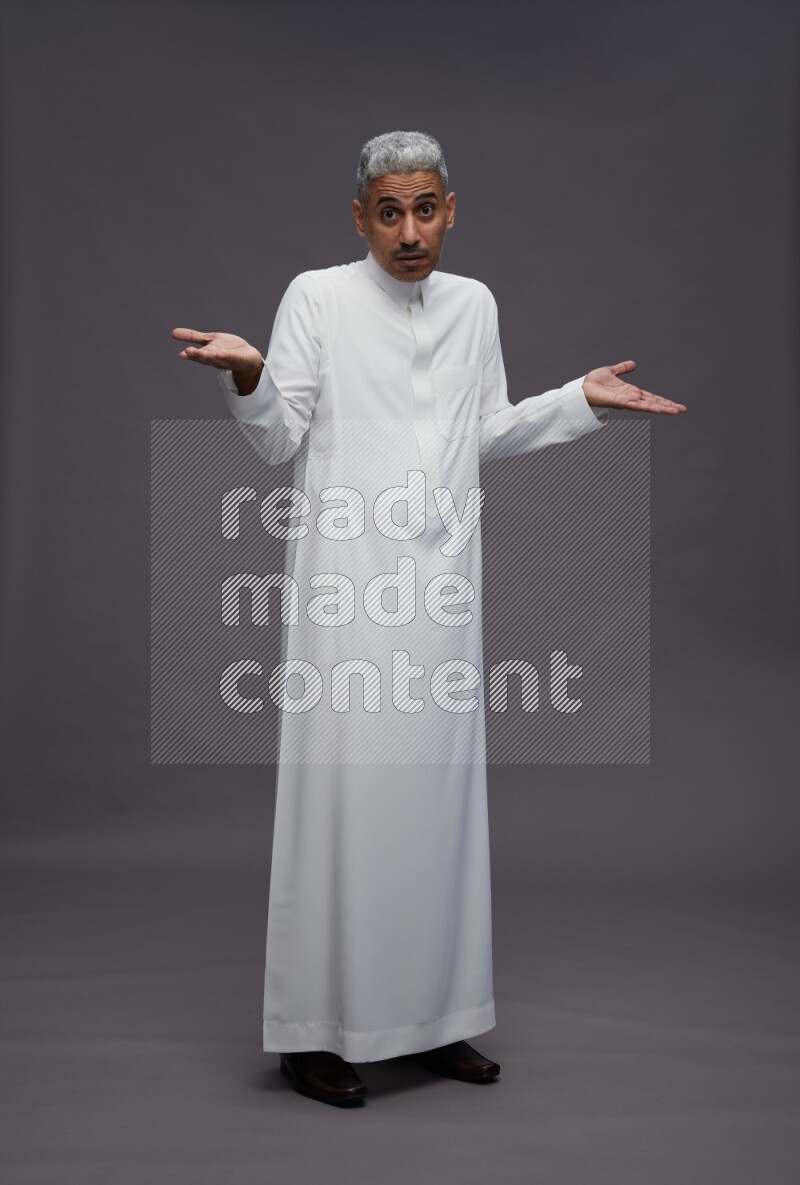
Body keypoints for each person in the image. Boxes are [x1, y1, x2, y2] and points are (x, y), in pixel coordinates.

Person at [172, 130, 686, 1107]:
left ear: (450, 209)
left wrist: (579, 400)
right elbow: (279, 435)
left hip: (440, 597)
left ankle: (435, 1020)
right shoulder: (316, 298)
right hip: (345, 596)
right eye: (386, 212)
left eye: (424, 209)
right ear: (359, 216)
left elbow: (481, 429)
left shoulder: (472, 306)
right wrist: (247, 372)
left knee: (438, 814)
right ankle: (314, 1034)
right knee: (344, 810)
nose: (407, 232)